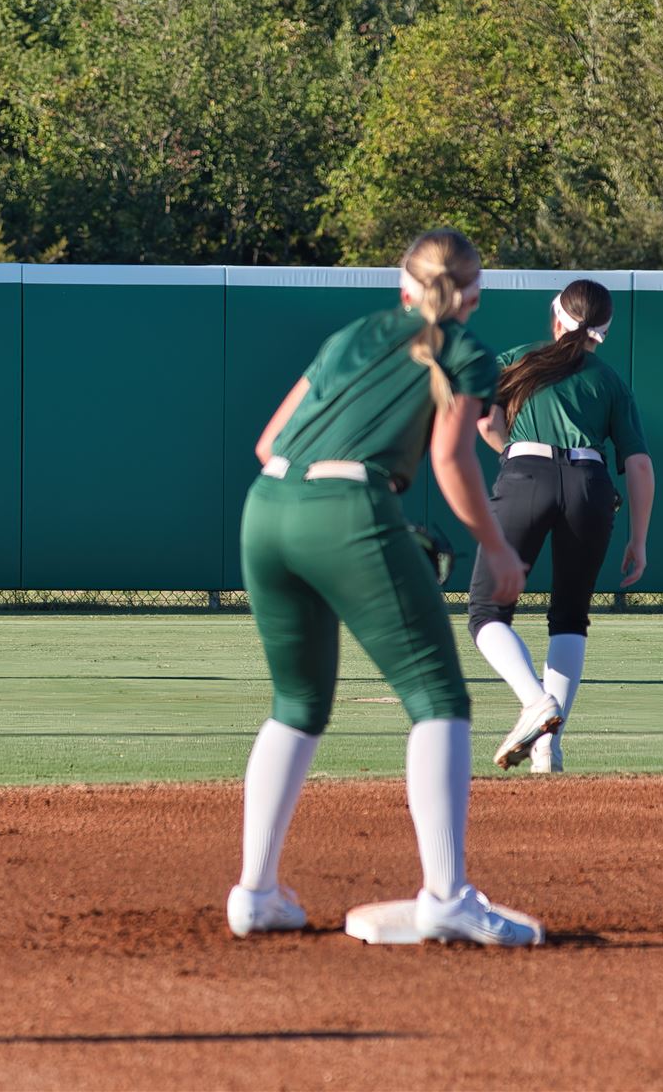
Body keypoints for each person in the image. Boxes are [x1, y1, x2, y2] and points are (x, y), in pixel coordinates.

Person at [228, 228, 543, 946]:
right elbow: (451, 460)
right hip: (348, 510)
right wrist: (498, 550)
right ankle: (447, 897)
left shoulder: (350, 335)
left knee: (297, 703)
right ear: (474, 295)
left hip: (265, 509)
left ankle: (255, 894)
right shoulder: (465, 351)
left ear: (403, 287)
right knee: (439, 699)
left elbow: (270, 442)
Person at [468, 280, 655, 773]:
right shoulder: (610, 380)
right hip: (590, 486)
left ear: (556, 317)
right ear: (603, 332)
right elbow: (638, 465)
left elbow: (485, 424)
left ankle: (536, 703)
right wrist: (638, 539)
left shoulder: (516, 360)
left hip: (525, 475)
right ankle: (547, 748)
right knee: (570, 617)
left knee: (487, 612)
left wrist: (512, 453)